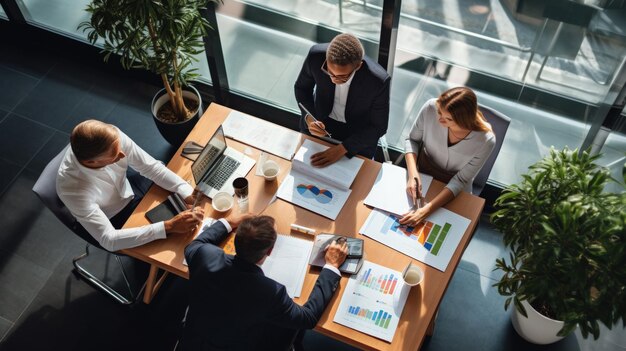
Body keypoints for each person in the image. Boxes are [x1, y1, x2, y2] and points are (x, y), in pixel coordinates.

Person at [182, 215, 348, 351]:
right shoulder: (270, 293)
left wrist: (228, 222)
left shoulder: (204, 255)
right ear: (269, 251)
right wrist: (331, 267)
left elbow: (195, 245)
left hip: (193, 338)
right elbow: (308, 318)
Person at [57, 119, 203, 251]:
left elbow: (150, 167)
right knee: (178, 245)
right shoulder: (72, 189)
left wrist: (185, 191)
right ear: (91, 162)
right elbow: (108, 239)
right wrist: (169, 226)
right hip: (114, 217)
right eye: (115, 155)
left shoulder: (112, 137)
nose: (122, 155)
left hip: (128, 187)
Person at [401, 87, 495, 226]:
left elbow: (461, 180)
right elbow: (412, 140)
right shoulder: (431, 107)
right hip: (423, 175)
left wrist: (426, 211)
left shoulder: (485, 140)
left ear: (465, 121)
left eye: (448, 119)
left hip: (455, 189)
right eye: (439, 112)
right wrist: (412, 173)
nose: (439, 120)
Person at [294, 33, 390, 167]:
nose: (333, 79)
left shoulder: (378, 81)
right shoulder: (316, 56)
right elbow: (301, 88)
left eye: (342, 77)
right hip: (320, 123)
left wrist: (342, 149)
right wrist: (310, 118)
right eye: (329, 72)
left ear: (358, 66)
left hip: (357, 136)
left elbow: (379, 126)